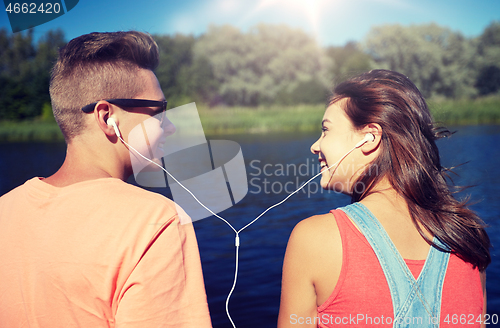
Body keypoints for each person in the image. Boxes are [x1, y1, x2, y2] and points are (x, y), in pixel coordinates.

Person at [0, 31, 212, 327]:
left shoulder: (4, 210)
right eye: (158, 112)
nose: (171, 126)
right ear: (106, 117)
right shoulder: (156, 221)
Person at [278, 69, 491, 327]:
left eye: (325, 130)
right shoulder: (468, 235)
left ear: (369, 138)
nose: (315, 146)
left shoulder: (313, 239)